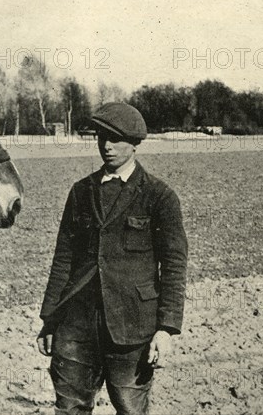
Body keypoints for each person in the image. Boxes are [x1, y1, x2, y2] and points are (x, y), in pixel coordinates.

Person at [37, 102, 188, 415]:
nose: (107, 146)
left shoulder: (159, 196)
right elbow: (63, 259)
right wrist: (50, 319)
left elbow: (174, 266)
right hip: (76, 325)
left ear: (134, 144)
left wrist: (166, 328)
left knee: (130, 409)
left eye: (116, 139)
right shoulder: (80, 192)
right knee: (69, 408)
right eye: (102, 137)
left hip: (133, 328)